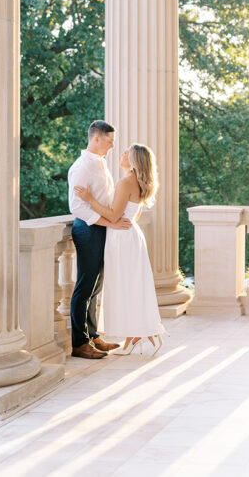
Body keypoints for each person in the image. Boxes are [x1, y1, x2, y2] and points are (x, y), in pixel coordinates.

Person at [75, 143, 165, 356]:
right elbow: (133, 215)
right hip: (131, 235)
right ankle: (139, 332)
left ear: (133, 160)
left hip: (121, 237)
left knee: (124, 286)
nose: (122, 154)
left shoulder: (126, 182)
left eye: (126, 153)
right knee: (132, 285)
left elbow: (114, 215)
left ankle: (136, 334)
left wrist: (89, 200)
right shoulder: (141, 183)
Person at [68, 120, 132, 359]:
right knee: (84, 287)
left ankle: (93, 336)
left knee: (96, 286)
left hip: (101, 229)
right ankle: (79, 343)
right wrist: (109, 222)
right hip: (87, 230)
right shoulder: (82, 167)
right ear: (96, 138)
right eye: (109, 141)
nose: (113, 146)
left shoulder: (100, 163)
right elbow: (77, 207)